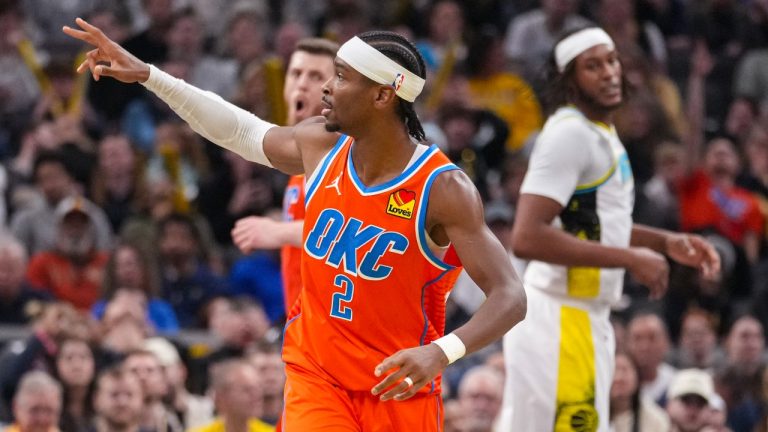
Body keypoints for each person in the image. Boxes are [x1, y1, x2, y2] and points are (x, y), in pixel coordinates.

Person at [64, 18, 527, 431]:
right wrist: (150, 75)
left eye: (341, 78)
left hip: (398, 386)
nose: (326, 87)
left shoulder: (442, 189)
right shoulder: (320, 146)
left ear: (384, 95)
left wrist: (441, 352)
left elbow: (510, 296)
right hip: (316, 375)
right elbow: (239, 130)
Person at [499, 26, 721, 432]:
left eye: (612, 60)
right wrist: (630, 258)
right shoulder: (568, 134)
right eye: (593, 65)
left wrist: (663, 241)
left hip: (581, 317)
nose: (609, 72)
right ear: (569, 79)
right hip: (558, 318)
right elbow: (527, 236)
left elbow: (590, 224)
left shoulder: (599, 133)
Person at [231, 38, 338, 317]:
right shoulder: (299, 157)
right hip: (302, 325)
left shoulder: (342, 152)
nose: (302, 84)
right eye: (296, 73)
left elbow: (350, 230)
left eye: (315, 76)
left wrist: (276, 231)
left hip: (334, 330)